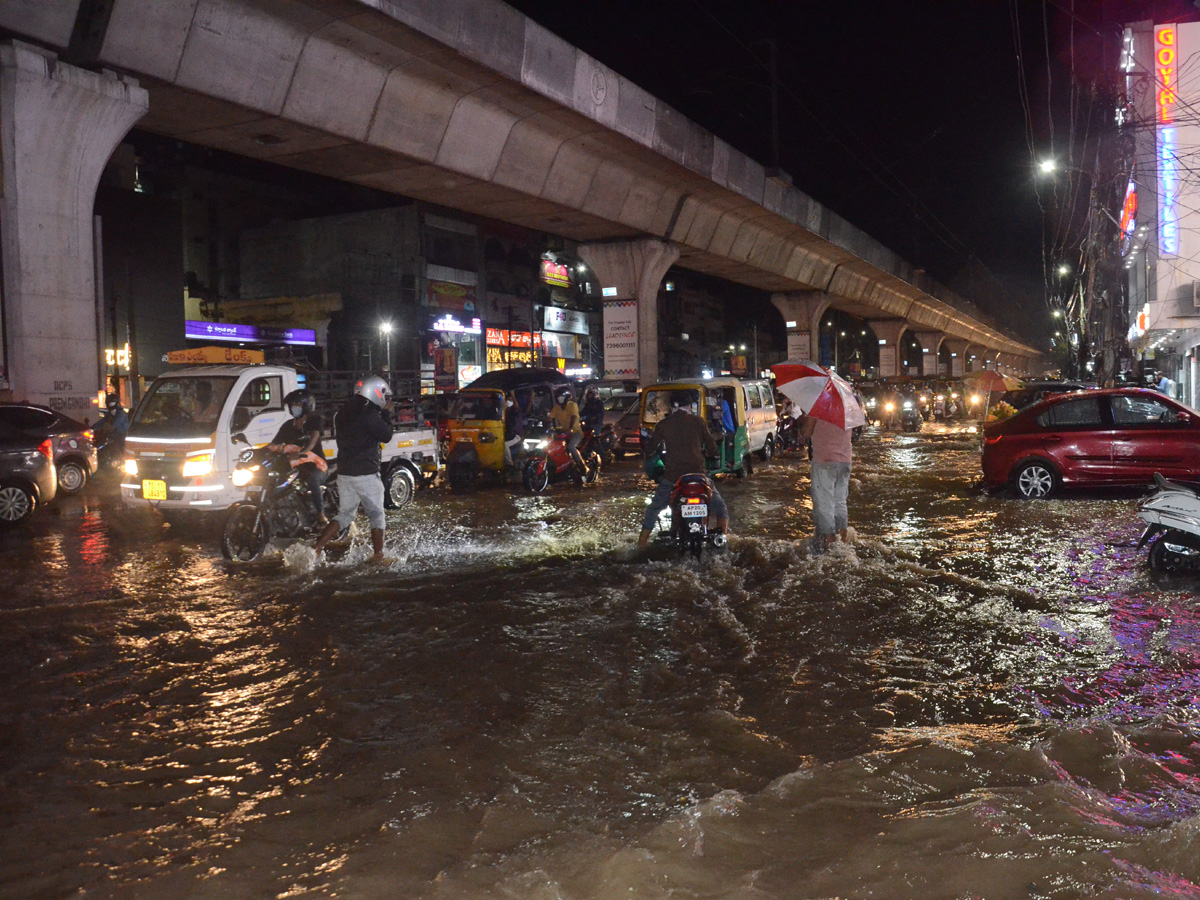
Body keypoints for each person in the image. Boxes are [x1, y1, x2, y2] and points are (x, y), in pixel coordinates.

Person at [313, 375, 395, 564]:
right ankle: (379, 555)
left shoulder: (343, 412)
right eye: (384, 395)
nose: (385, 399)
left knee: (345, 514)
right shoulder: (369, 414)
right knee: (376, 514)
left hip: (345, 472)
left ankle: (317, 548)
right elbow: (387, 435)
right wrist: (386, 413)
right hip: (365, 473)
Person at [637, 389, 728, 548]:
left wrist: (648, 450)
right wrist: (710, 453)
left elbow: (650, 449)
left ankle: (641, 545)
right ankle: (722, 539)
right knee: (720, 508)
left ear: (673, 406)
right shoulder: (698, 421)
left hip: (673, 478)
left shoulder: (663, 424)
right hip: (699, 476)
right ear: (689, 406)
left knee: (653, 509)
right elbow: (713, 447)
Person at [269, 389, 329, 529]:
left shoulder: (314, 420)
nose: (293, 407)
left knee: (313, 480)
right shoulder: (288, 426)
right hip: (295, 465)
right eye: (292, 404)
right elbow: (273, 444)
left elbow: (313, 440)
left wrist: (302, 451)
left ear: (306, 405)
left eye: (297, 404)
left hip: (316, 465)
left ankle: (321, 514)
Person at [801, 410, 853, 553]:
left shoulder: (819, 407)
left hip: (824, 461)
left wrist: (805, 418)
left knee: (825, 505)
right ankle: (843, 544)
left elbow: (806, 432)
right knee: (840, 502)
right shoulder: (847, 407)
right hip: (845, 461)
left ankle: (829, 549)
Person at [549, 385, 586, 472]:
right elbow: (550, 417)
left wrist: (570, 428)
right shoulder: (556, 408)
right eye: (558, 397)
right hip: (563, 433)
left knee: (571, 446)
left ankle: (581, 465)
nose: (559, 398)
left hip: (576, 432)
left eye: (561, 396)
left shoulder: (573, 405)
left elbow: (574, 417)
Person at [503, 391, 524, 467]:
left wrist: (513, 395)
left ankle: (509, 464)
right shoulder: (503, 413)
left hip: (516, 435)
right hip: (507, 434)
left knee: (504, 445)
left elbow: (516, 406)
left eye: (510, 400)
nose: (508, 401)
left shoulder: (514, 410)